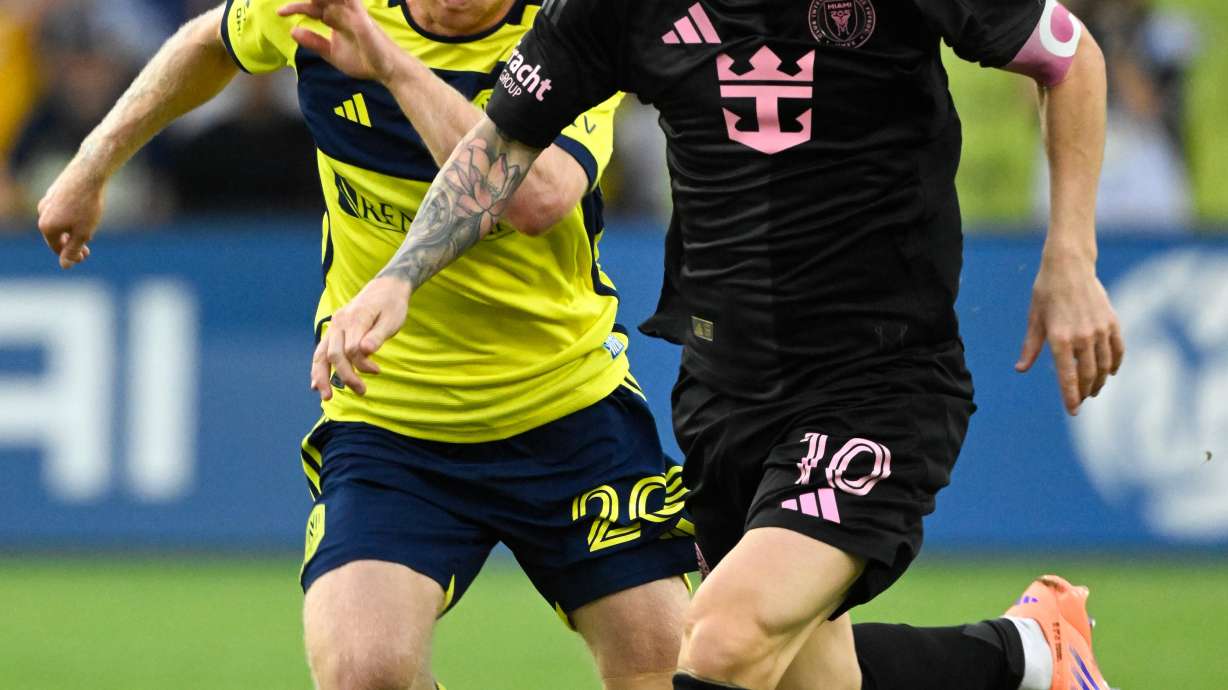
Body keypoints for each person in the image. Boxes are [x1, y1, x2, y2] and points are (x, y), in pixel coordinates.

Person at [305, 0, 1126, 689]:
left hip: (878, 379)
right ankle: (1031, 653)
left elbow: (1070, 57)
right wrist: (399, 276)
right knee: (809, 675)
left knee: (722, 643)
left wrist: (1071, 258)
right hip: (724, 394)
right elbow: (502, 143)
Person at [35, 2, 698, 689]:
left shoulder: (571, 23)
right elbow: (213, 40)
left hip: (567, 406)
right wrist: (93, 162)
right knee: (362, 670)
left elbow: (536, 196)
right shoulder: (326, 7)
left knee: (662, 662)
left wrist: (389, 64)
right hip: (392, 419)